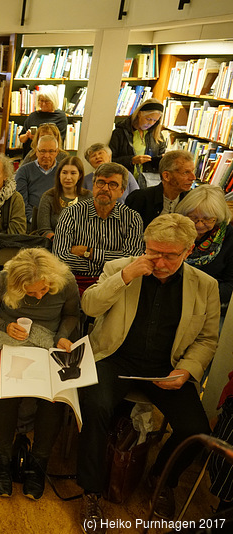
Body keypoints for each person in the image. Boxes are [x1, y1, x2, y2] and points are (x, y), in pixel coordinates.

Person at [78, 214, 219, 531]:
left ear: (188, 251)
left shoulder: (204, 286)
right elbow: (90, 306)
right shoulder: (121, 267)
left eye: (169, 255)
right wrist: (125, 276)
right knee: (96, 405)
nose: (159, 261)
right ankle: (91, 491)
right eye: (153, 252)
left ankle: (162, 478)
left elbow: (207, 338)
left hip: (167, 366)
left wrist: (187, 370)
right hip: (115, 357)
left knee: (197, 429)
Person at [0, 248, 80, 499]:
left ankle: (40, 460)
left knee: (54, 393)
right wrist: (3, 325)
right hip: (12, 341)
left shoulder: (66, 281)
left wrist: (62, 335)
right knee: (7, 384)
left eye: (44, 289)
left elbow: (72, 314)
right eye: (31, 293)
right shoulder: (3, 280)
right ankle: (2, 456)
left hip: (49, 341)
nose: (39, 295)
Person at [53, 162, 145, 293]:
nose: (105, 189)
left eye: (113, 184)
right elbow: (60, 257)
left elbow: (131, 259)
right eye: (100, 182)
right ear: (93, 186)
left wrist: (88, 252)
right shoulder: (71, 213)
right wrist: (108, 263)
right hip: (75, 281)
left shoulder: (132, 218)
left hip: (114, 281)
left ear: (122, 191)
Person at [175, 184, 233, 309]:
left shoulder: (229, 237)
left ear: (217, 218)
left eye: (207, 219)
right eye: (193, 218)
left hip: (208, 302)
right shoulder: (174, 229)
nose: (200, 225)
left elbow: (230, 284)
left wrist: (198, 296)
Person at [125, 149, 195, 228]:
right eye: (186, 172)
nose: (193, 177)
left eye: (193, 171)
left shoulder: (191, 199)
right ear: (166, 176)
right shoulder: (140, 199)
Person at [109, 98, 167, 190]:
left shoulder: (156, 134)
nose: (151, 123)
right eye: (148, 119)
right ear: (139, 114)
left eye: (155, 121)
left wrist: (164, 159)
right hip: (124, 181)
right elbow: (110, 160)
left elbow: (161, 156)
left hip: (148, 183)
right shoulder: (120, 133)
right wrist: (131, 160)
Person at [36, 157, 92, 239]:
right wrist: (61, 242)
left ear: (79, 175)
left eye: (73, 173)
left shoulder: (88, 197)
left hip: (82, 245)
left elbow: (92, 227)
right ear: (59, 174)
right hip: (53, 244)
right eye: (64, 173)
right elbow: (43, 229)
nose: (68, 177)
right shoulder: (48, 196)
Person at [15, 135, 60, 224]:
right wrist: (34, 219)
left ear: (57, 152)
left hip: (57, 221)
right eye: (42, 151)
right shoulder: (24, 171)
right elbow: (21, 202)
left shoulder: (63, 171)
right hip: (30, 221)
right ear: (36, 151)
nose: (46, 155)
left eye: (51, 151)